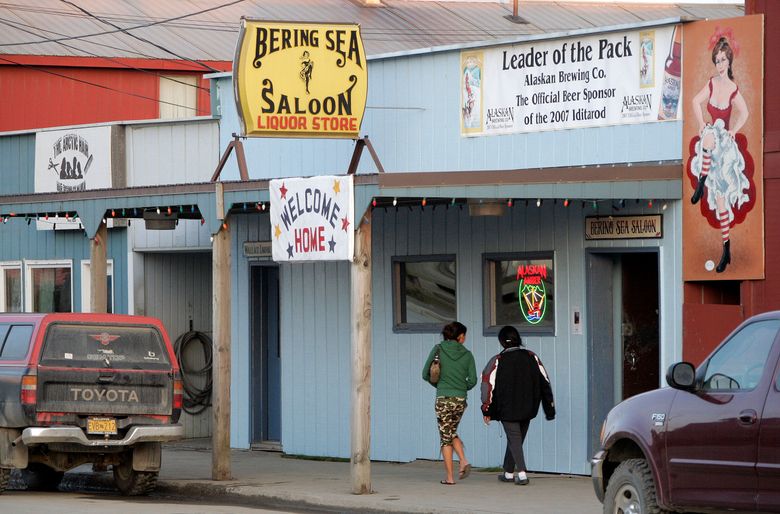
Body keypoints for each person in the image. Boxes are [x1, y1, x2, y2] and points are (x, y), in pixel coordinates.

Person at [689, 34, 752, 273]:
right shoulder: (712, 83)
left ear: (729, 61)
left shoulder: (733, 89)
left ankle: (726, 250)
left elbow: (744, 113)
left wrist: (734, 130)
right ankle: (703, 179)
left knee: (722, 202)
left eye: (723, 59)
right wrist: (700, 122)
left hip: (724, 146)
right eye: (717, 60)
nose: (720, 64)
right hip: (710, 140)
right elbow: (695, 101)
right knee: (707, 134)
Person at [481, 326, 555, 486]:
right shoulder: (531, 356)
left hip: (506, 408)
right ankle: (508, 473)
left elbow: (487, 385)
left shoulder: (497, 361)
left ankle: (522, 474)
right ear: (518, 339)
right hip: (528, 407)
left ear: (501, 342)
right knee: (516, 439)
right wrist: (549, 409)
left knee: (515, 439)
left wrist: (486, 409)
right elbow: (545, 383)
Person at [422, 321, 477, 485]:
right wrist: (461, 388)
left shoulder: (438, 349)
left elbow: (425, 374)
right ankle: (462, 461)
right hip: (460, 399)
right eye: (464, 335)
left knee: (445, 437)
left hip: (443, 398)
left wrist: (440, 386)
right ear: (460, 336)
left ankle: (451, 476)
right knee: (450, 431)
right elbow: (473, 380)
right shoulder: (468, 354)